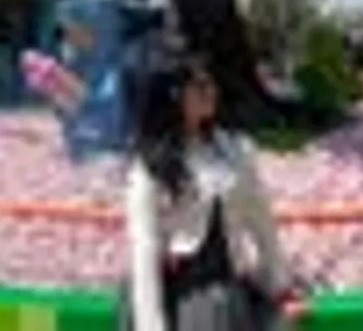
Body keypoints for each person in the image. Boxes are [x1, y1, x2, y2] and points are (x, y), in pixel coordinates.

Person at [124, 53, 296, 331]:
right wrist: (151, 325)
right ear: (174, 95)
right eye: (199, 86)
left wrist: (280, 285)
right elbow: (144, 247)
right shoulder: (149, 167)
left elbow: (261, 221)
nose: (211, 92)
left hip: (225, 287)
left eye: (211, 83)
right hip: (177, 292)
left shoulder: (235, 149)